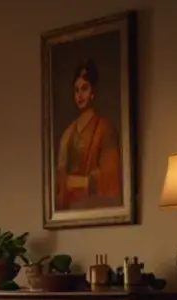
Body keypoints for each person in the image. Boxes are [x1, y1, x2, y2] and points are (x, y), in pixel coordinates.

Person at [55, 58, 122, 212]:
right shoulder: (67, 134)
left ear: (93, 92)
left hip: (95, 205)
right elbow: (60, 180)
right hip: (70, 207)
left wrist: (83, 182)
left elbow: (112, 176)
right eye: (76, 90)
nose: (80, 95)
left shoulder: (105, 129)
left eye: (84, 89)